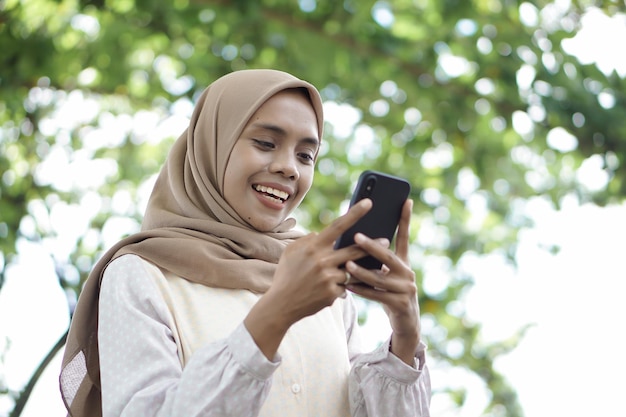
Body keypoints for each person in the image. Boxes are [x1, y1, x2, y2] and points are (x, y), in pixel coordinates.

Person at [59, 69, 431, 417]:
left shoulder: (322, 282)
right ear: (212, 144)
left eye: (306, 155)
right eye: (266, 142)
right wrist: (276, 314)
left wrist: (404, 337)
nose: (289, 167)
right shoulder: (141, 275)